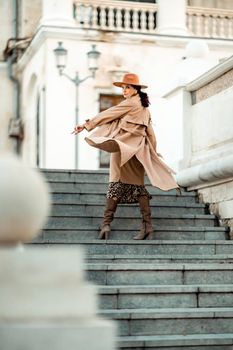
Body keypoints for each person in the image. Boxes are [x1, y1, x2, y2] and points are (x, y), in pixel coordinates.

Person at [72, 73, 180, 240]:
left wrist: (86, 125)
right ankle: (147, 226)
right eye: (123, 88)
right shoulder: (145, 108)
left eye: (127, 87)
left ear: (136, 89)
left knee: (115, 184)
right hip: (138, 151)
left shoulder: (129, 103)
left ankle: (106, 224)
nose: (124, 90)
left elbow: (108, 113)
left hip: (122, 149)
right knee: (139, 188)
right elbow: (151, 134)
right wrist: (151, 153)